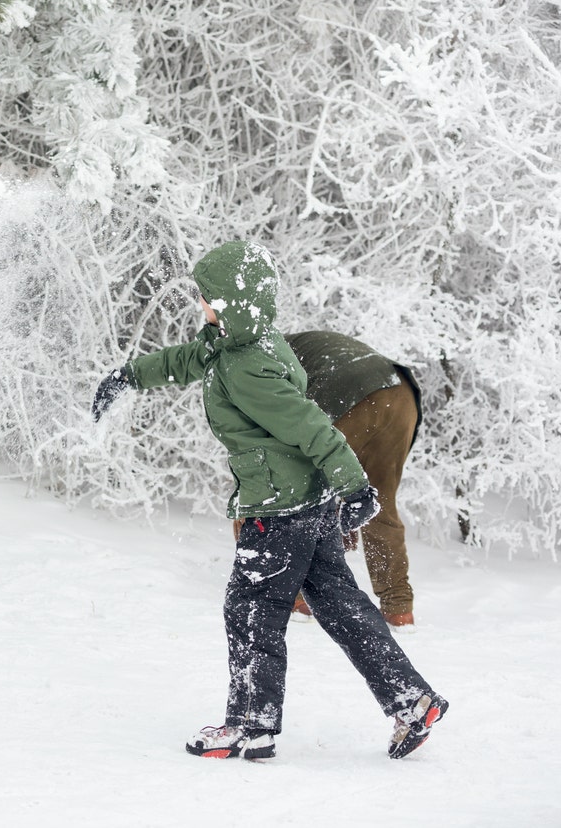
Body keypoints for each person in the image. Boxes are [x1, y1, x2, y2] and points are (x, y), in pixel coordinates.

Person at [91, 240, 447, 761]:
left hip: (280, 508)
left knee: (251, 607)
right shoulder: (243, 345)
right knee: (341, 606)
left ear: (234, 304)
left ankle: (250, 725)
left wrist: (355, 485)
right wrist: (128, 376)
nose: (202, 307)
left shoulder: (246, 368)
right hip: (306, 503)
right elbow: (188, 358)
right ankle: (411, 700)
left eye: (208, 298)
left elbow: (312, 427)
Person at [284, 330, 422, 631]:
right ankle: (398, 608)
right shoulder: (300, 345)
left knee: (286, 492)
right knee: (379, 501)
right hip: (400, 394)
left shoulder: (256, 360)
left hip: (348, 394)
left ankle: (294, 597)